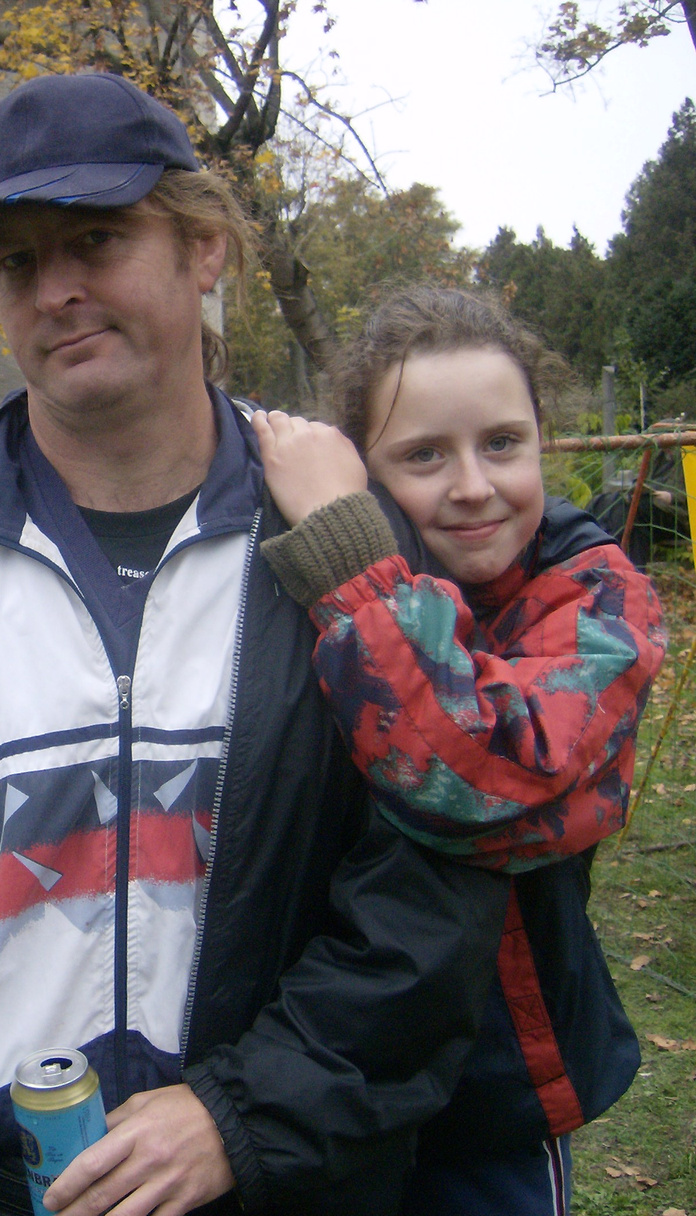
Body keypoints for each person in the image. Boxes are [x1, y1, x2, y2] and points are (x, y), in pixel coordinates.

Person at [0, 73, 509, 1216]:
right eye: (15, 262)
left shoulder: (337, 535)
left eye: (96, 238)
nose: (57, 291)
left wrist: (244, 1112)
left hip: (273, 1174)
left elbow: (426, 895)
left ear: (203, 248)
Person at [249, 286, 666, 1216]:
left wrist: (350, 563)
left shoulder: (599, 599)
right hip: (336, 1077)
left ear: (543, 440)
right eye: (424, 455)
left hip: (494, 1098)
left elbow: (477, 777)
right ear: (366, 470)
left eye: (502, 443)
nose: (473, 484)